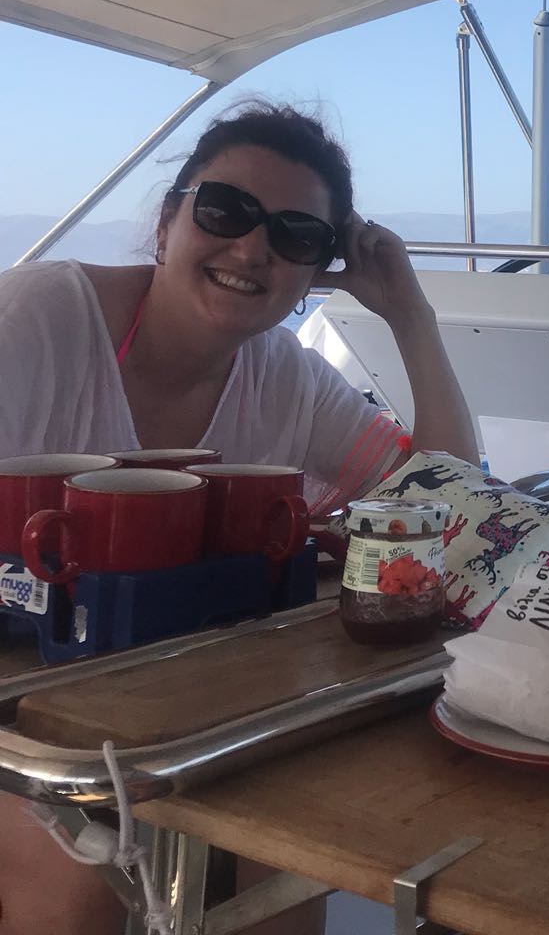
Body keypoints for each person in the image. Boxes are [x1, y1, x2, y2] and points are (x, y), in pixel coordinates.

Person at [0, 102, 478, 935]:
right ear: (167, 222)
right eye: (225, 211)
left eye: (296, 235)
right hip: (29, 722)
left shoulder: (287, 377)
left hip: (170, 711)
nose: (254, 248)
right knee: (83, 878)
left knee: (294, 850)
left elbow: (449, 504)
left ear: (316, 271)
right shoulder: (38, 320)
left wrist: (412, 318)